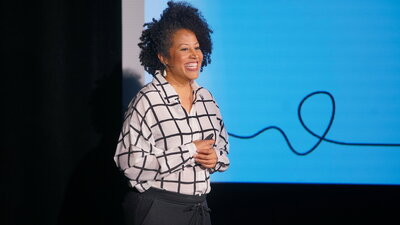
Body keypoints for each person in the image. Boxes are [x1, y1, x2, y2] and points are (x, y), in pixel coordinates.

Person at [114, 1, 230, 225]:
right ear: (163, 57)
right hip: (158, 209)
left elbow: (223, 150)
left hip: (199, 210)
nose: (194, 55)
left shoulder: (207, 99)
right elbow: (129, 163)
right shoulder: (147, 99)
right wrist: (188, 151)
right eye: (184, 49)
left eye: (197, 48)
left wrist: (216, 159)